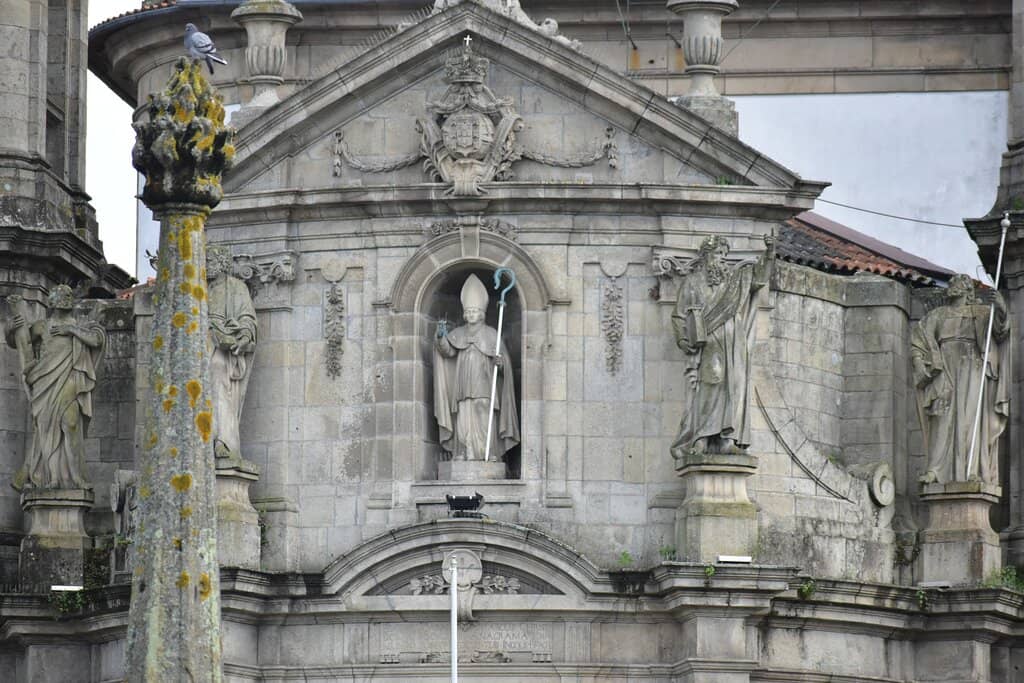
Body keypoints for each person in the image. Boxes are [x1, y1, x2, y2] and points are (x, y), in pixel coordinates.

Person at [671, 234, 774, 458]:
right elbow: (678, 316)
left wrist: (770, 253)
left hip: (733, 342)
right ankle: (701, 438)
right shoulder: (692, 282)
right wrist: (682, 339)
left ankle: (727, 439)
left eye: (724, 255)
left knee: (734, 388)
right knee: (711, 382)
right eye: (717, 254)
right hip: (708, 343)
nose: (721, 259)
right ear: (706, 257)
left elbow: (759, 279)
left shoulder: (734, 280)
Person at [5, 285, 105, 490]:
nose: (66, 297)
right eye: (60, 294)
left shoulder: (79, 325)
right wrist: (11, 326)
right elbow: (21, 343)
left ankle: (76, 476)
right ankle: (51, 478)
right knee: (46, 430)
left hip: (69, 381)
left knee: (70, 423)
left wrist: (71, 330)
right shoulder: (43, 326)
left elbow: (97, 340)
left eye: (68, 294)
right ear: (51, 301)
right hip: (44, 384)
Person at [913, 274, 1009, 484]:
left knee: (969, 418)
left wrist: (1000, 307)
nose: (952, 285)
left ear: (967, 289)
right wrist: (920, 363)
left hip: (972, 367)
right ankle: (935, 470)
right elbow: (919, 340)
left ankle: (971, 471)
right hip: (944, 368)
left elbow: (1001, 331)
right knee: (942, 416)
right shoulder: (937, 315)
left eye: (957, 282)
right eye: (951, 282)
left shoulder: (982, 312)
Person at [433, 274, 519, 462]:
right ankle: (463, 452)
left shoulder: (491, 334)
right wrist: (441, 337)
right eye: (469, 312)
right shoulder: (459, 333)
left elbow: (504, 363)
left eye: (474, 311)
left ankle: (489, 452)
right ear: (465, 314)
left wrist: (500, 362)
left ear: (481, 313)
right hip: (463, 383)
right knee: (464, 415)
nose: (471, 315)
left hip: (485, 382)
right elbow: (447, 352)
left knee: (483, 411)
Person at [206, 246, 257, 462]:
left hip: (224, 352)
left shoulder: (235, 287)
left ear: (221, 263)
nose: (205, 266)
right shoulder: (193, 287)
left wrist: (244, 336)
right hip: (200, 345)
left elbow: (248, 320)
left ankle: (222, 440)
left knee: (217, 370)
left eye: (209, 261)